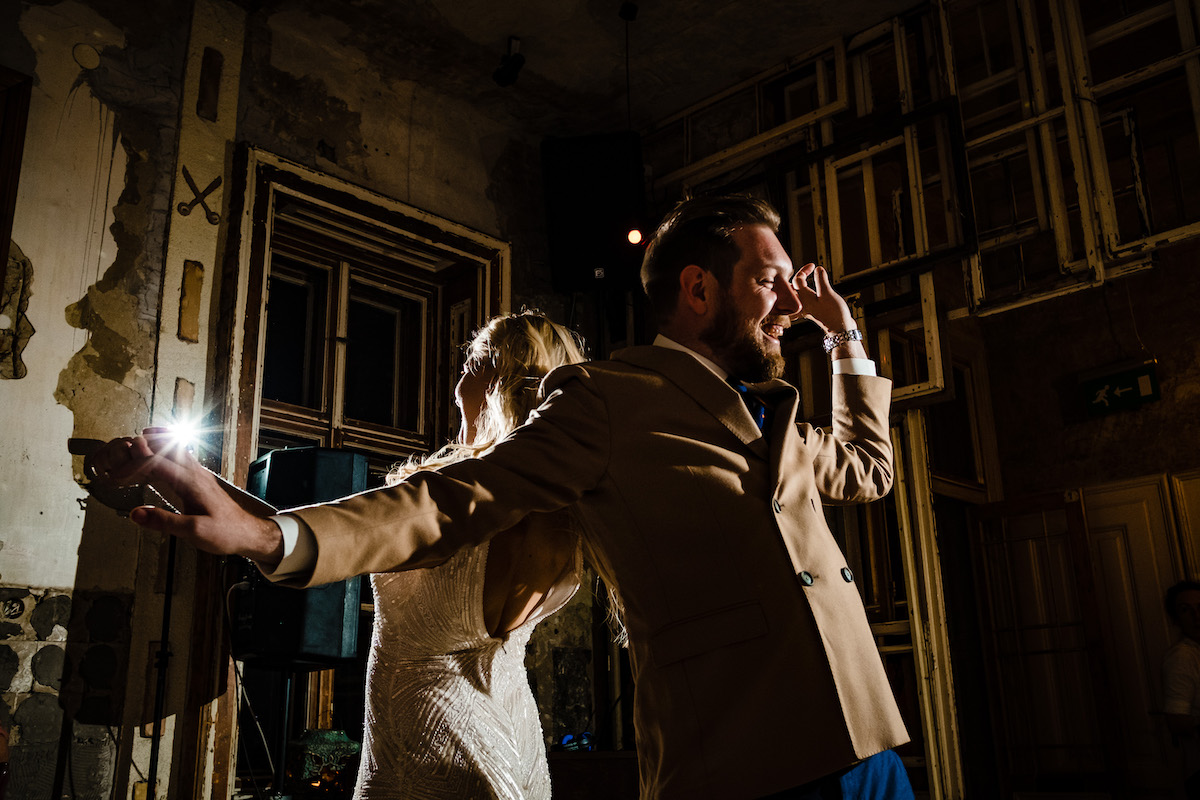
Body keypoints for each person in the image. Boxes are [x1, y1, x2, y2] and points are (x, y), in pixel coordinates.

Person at [91, 194, 912, 799]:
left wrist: (846, 337)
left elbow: (871, 469)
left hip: (869, 742)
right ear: (699, 289)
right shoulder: (609, 399)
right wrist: (275, 537)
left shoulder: (776, 419)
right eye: (771, 281)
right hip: (746, 758)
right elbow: (452, 499)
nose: (793, 305)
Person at [1162, 580, 1200, 798]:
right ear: (1176, 619)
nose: (1197, 616)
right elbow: (1177, 721)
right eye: (1186, 610)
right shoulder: (1182, 657)